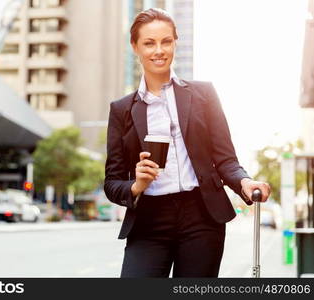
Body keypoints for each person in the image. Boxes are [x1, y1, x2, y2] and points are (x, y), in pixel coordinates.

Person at [104, 8, 271, 278]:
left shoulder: (203, 94)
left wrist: (245, 183)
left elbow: (226, 160)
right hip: (148, 219)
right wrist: (136, 185)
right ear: (135, 46)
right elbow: (111, 182)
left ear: (175, 43)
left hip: (201, 216)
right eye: (149, 43)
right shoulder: (122, 110)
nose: (159, 50)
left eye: (166, 41)